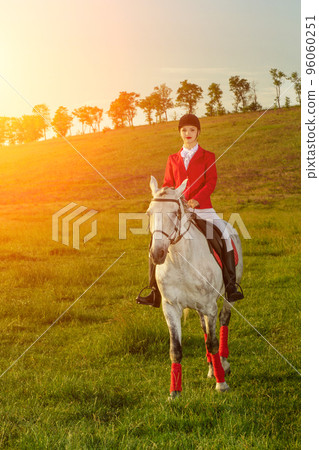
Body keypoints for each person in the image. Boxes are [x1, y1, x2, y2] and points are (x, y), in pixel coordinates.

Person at [136, 113, 244, 307]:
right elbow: (169, 183)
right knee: (156, 240)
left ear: (198, 132)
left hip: (203, 209)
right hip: (178, 212)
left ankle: (230, 285)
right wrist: (166, 198)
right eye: (184, 130)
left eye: (192, 130)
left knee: (225, 235)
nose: (188, 133)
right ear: (180, 132)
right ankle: (154, 291)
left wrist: (196, 200)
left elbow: (211, 182)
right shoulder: (173, 158)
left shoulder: (207, 156)